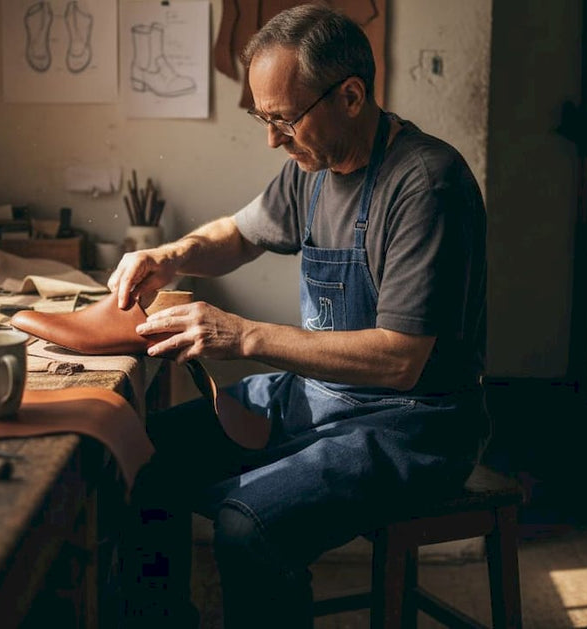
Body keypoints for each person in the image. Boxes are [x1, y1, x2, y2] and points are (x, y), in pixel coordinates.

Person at [107, 5, 490, 628]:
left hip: (415, 426)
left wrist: (243, 334)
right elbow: (238, 233)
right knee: (145, 454)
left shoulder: (426, 184)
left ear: (351, 95)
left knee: (248, 525)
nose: (271, 139)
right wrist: (169, 256)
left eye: (283, 119)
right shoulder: (310, 171)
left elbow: (400, 359)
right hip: (318, 398)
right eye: (264, 118)